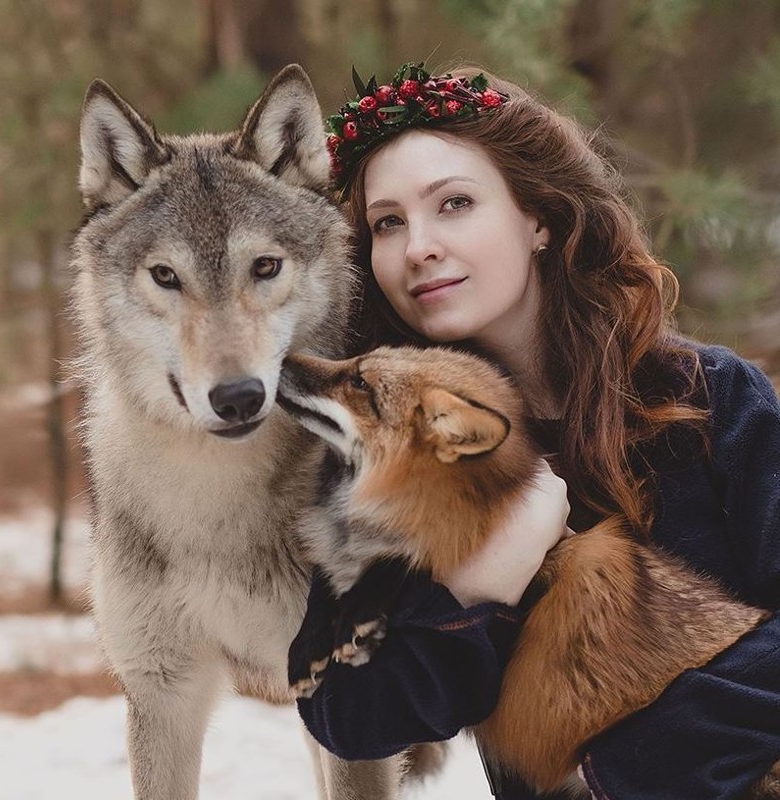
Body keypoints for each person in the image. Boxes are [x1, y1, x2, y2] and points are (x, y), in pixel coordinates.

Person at [296, 62, 780, 799]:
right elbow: (350, 715)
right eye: (387, 222)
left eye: (453, 203)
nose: (417, 245)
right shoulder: (383, 452)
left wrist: (620, 767)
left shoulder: (707, 397)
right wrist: (480, 583)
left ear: (539, 218)